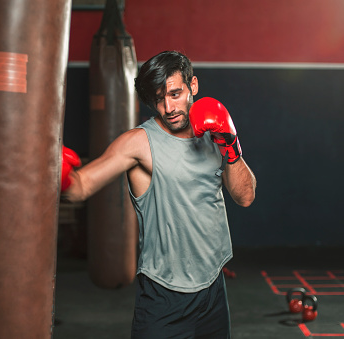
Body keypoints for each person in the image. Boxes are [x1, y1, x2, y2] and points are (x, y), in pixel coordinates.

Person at [61, 50, 256, 338]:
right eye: (158, 99)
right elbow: (81, 187)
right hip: (164, 297)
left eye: (175, 94)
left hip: (213, 288)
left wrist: (230, 145)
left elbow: (245, 196)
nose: (168, 107)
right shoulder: (139, 142)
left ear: (193, 86)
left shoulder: (214, 133)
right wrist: (60, 175)